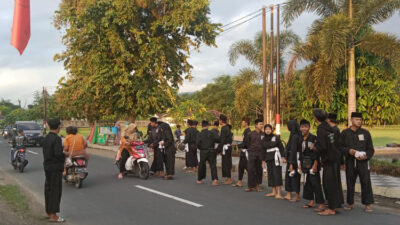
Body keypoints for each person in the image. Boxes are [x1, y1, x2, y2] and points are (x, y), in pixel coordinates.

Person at [341, 112, 374, 213]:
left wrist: (366, 156)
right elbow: (340, 147)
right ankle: (350, 203)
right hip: (350, 162)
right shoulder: (345, 133)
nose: (359, 122)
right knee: (350, 182)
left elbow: (370, 149)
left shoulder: (365, 133)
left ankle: (368, 204)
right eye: (356, 119)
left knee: (366, 182)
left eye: (360, 120)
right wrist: (349, 151)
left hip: (363, 163)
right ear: (351, 120)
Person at [313, 109, 343, 216]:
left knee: (328, 184)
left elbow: (323, 146)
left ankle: (331, 209)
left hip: (329, 160)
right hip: (334, 158)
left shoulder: (321, 129)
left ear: (316, 118)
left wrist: (315, 147)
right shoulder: (330, 128)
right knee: (334, 183)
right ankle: (334, 205)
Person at [42, 118, 66, 223]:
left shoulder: (46, 137)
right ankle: (53, 215)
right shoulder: (56, 139)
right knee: (55, 191)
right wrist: (64, 155)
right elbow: (57, 154)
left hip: (47, 166)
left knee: (48, 189)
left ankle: (48, 212)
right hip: (55, 168)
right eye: (60, 125)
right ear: (58, 126)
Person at [299, 119, 325, 212]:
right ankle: (311, 201)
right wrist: (300, 164)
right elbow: (301, 153)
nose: (304, 129)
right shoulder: (300, 138)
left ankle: (321, 203)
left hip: (313, 163)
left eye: (306, 127)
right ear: (300, 128)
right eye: (302, 127)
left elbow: (317, 153)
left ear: (309, 127)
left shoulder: (314, 138)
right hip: (305, 164)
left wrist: (315, 165)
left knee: (316, 184)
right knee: (308, 183)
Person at [326, 113, 345, 206]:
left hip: (333, 158)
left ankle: (335, 201)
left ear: (329, 120)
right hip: (336, 158)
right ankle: (337, 200)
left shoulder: (333, 130)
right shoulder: (335, 130)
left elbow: (333, 145)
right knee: (335, 180)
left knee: (334, 181)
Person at [263, 124, 285, 198]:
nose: (268, 130)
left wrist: (283, 157)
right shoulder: (263, 138)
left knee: (277, 174)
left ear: (272, 130)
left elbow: (281, 147)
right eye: (266, 129)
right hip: (268, 158)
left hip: (276, 157)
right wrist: (263, 160)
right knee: (271, 174)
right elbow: (263, 150)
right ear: (264, 130)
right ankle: (273, 191)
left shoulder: (275, 137)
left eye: (269, 129)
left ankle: (279, 193)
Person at [196, 120, 220, 186]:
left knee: (201, 164)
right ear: (207, 126)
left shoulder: (199, 134)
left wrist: (201, 148)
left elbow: (197, 143)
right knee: (213, 165)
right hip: (211, 150)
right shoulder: (212, 133)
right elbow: (218, 140)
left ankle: (199, 179)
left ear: (202, 126)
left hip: (203, 151)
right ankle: (215, 180)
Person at [284, 119, 302, 202]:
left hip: (293, 159)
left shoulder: (294, 136)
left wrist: (291, 163)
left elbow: (293, 150)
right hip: (293, 158)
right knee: (290, 176)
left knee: (293, 177)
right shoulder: (295, 134)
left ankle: (296, 196)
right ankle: (289, 194)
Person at [245, 118, 264, 192]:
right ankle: (250, 186)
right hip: (252, 153)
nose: (261, 125)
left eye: (262, 124)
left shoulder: (263, 134)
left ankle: (258, 185)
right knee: (250, 169)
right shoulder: (250, 134)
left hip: (260, 154)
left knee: (259, 170)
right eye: (260, 124)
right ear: (256, 125)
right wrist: (250, 150)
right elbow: (247, 143)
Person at [233, 118, 251, 187]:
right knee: (241, 167)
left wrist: (237, 145)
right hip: (243, 152)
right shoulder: (245, 131)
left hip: (246, 152)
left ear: (246, 123)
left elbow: (246, 143)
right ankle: (239, 182)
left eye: (242, 122)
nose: (242, 123)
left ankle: (253, 183)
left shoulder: (248, 131)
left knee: (247, 167)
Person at [218, 114, 233, 185]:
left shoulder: (224, 128)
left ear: (221, 121)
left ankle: (229, 179)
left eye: (219, 120)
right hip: (228, 147)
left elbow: (222, 140)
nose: (219, 121)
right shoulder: (228, 127)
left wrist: (218, 150)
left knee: (226, 163)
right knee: (228, 162)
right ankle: (228, 178)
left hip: (225, 147)